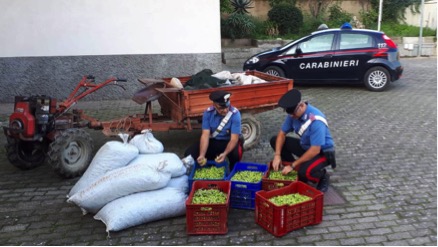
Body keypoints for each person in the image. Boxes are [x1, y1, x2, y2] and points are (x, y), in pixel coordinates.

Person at [270, 89, 336, 192]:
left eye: (294, 114)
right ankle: (295, 169)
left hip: (322, 152)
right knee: (275, 140)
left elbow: (315, 150)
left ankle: (322, 176)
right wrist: (277, 155)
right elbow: (282, 134)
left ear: (301, 106)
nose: (292, 117)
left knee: (304, 173)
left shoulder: (316, 120)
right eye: (291, 115)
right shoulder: (293, 114)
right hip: (306, 147)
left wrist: (293, 165)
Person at [184, 90, 243, 172]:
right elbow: (205, 135)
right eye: (221, 108)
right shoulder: (208, 113)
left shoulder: (235, 114)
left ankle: (233, 173)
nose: (225, 110)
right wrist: (202, 155)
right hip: (214, 140)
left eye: (227, 107)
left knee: (235, 154)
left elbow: (234, 139)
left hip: (228, 141)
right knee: (189, 153)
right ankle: (207, 167)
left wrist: (225, 153)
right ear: (214, 105)